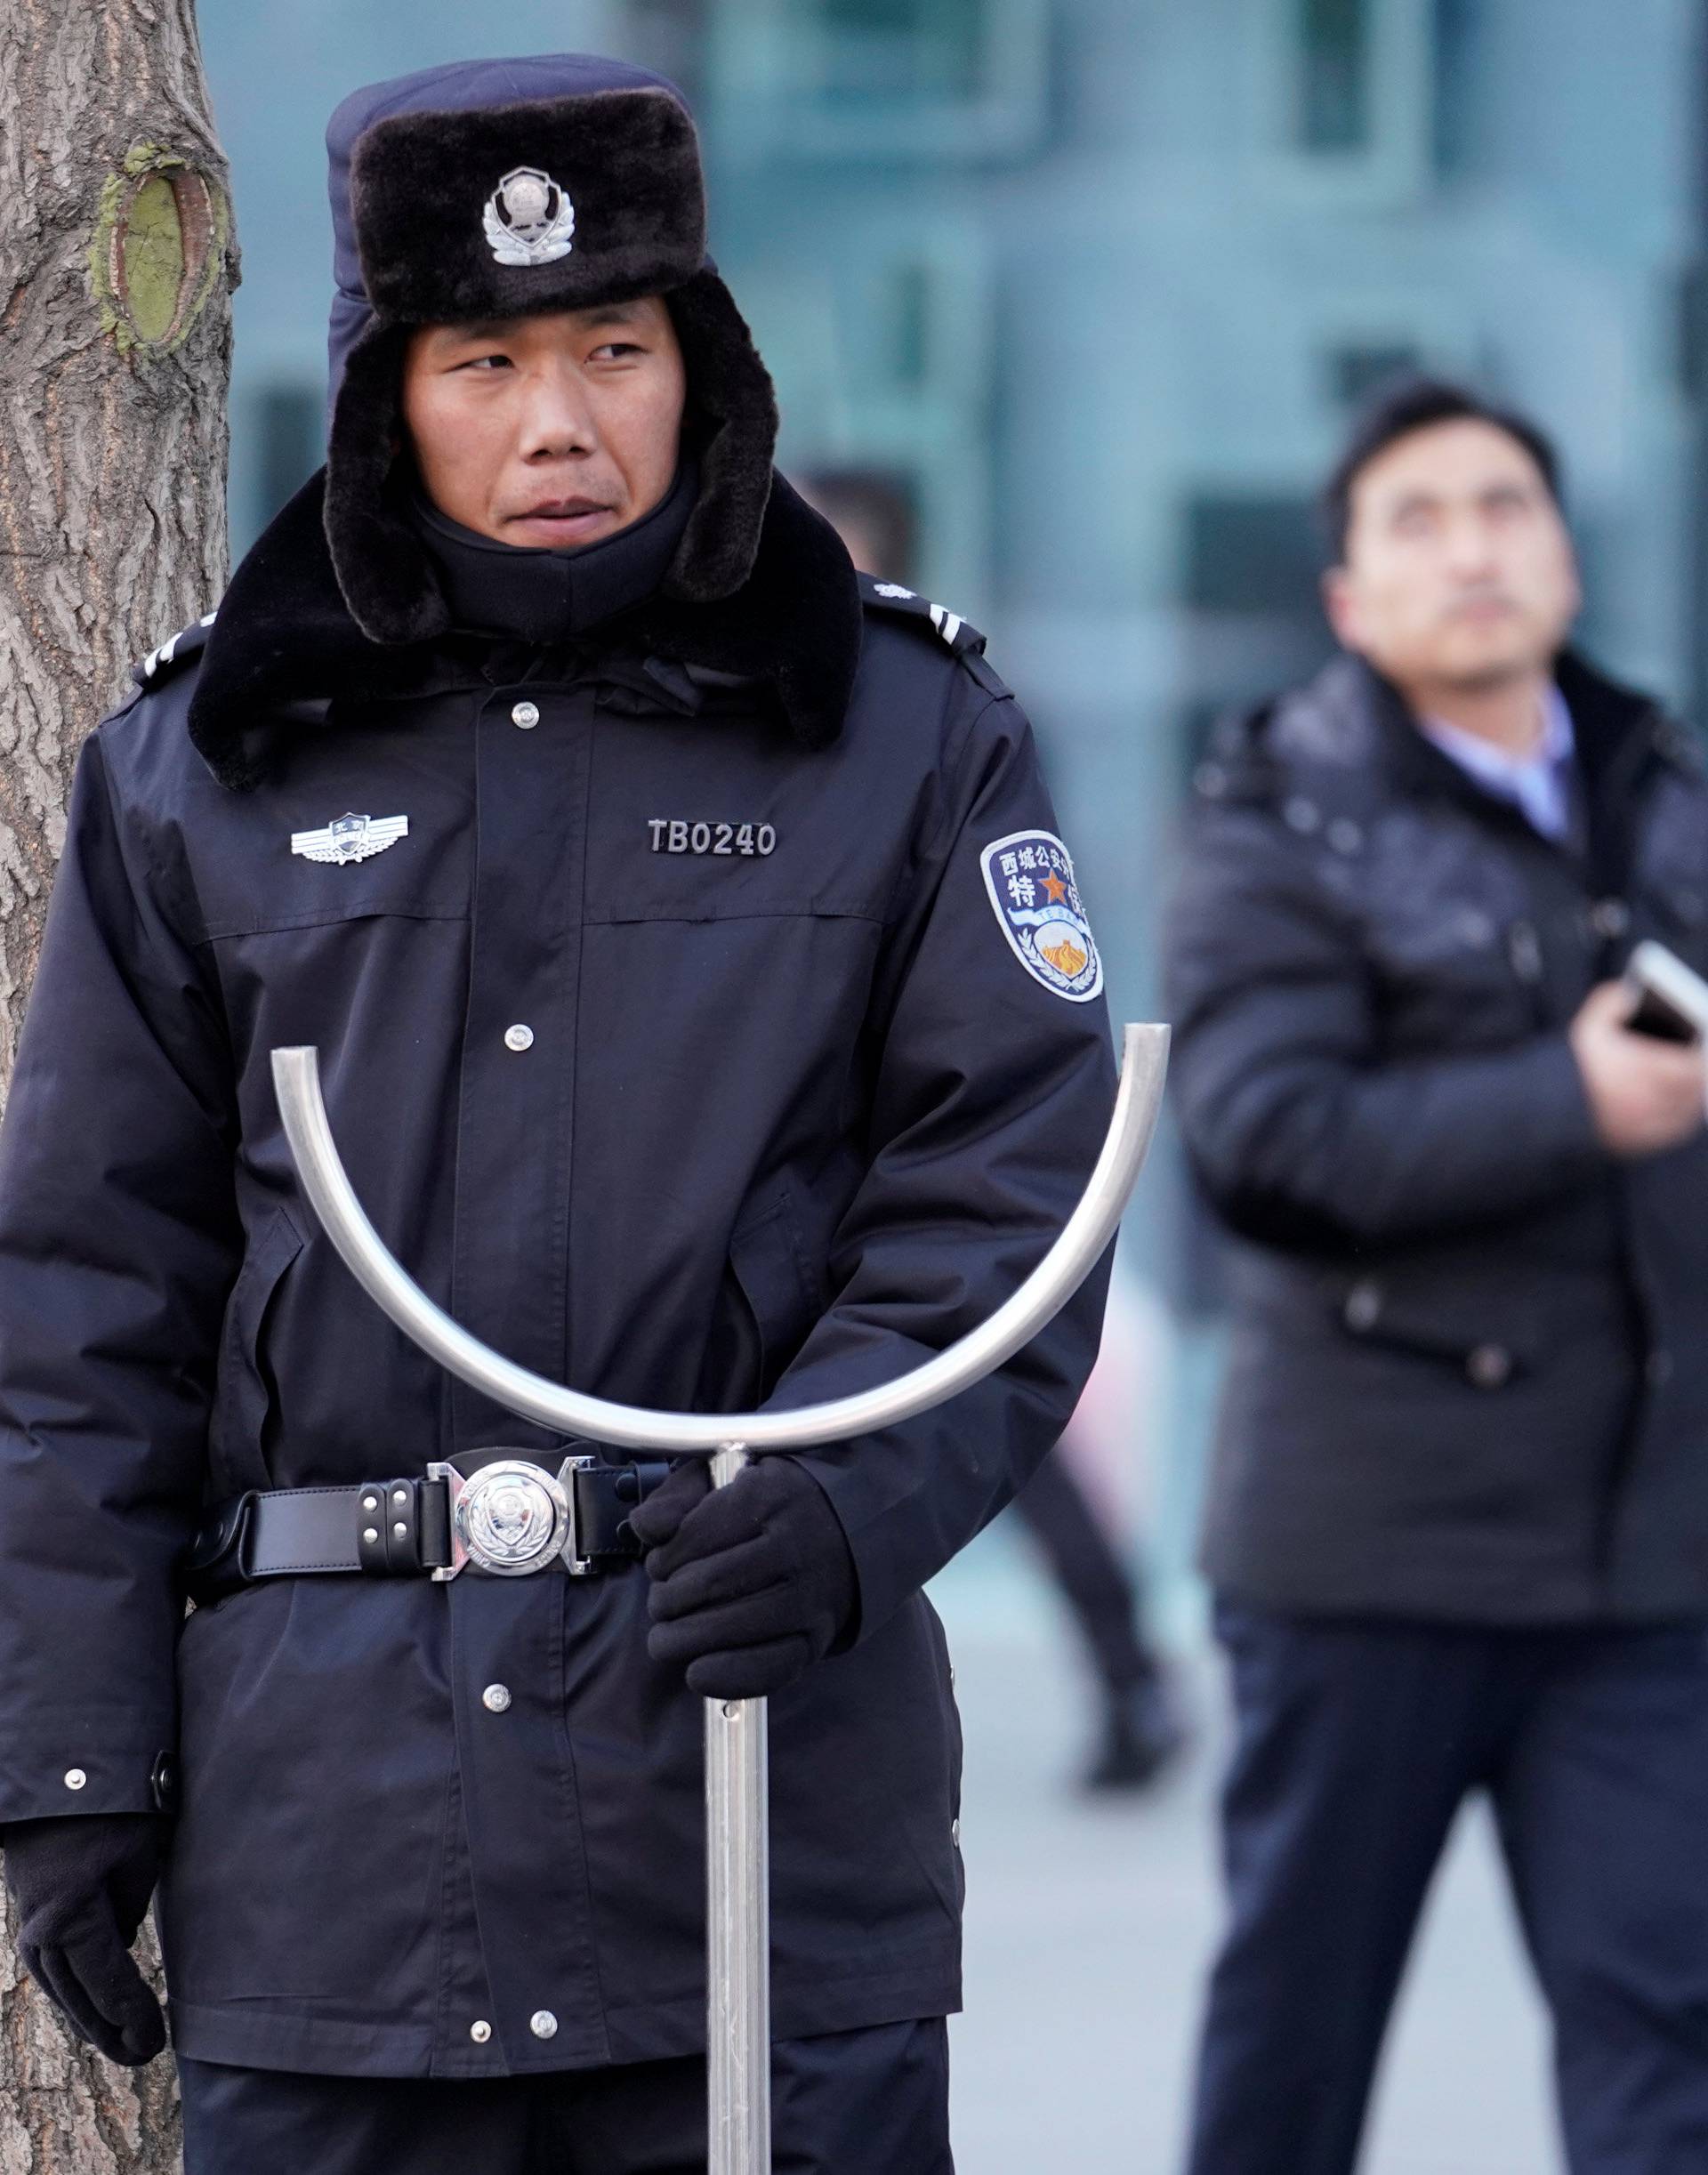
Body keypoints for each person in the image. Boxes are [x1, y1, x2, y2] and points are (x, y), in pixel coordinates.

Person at [0, 56, 1116, 2175]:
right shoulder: (203, 764)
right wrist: (66, 1752)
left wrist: (848, 1500)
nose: (556, 422)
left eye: (616, 348)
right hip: (335, 1866)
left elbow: (1011, 1190)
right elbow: (84, 1293)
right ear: (379, 390)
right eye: (483, 359)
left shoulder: (905, 733)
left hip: (763, 1832)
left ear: (702, 365)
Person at [1166, 377, 1708, 2174]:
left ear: (1564, 551)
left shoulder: (1665, 787)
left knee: (1666, 2043)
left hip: (1641, 1560)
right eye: (1420, 518)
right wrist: (1569, 1095)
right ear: (1347, 597)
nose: (1472, 547)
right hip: (1366, 1555)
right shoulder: (1276, 814)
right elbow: (1263, 1141)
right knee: (1294, 2056)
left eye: (1506, 507)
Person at [800, 468, 1183, 1794]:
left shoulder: (948, 720)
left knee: (984, 1429)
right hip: (814, 1167)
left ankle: (1133, 1675)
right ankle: (1132, 1674)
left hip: (918, 1155)